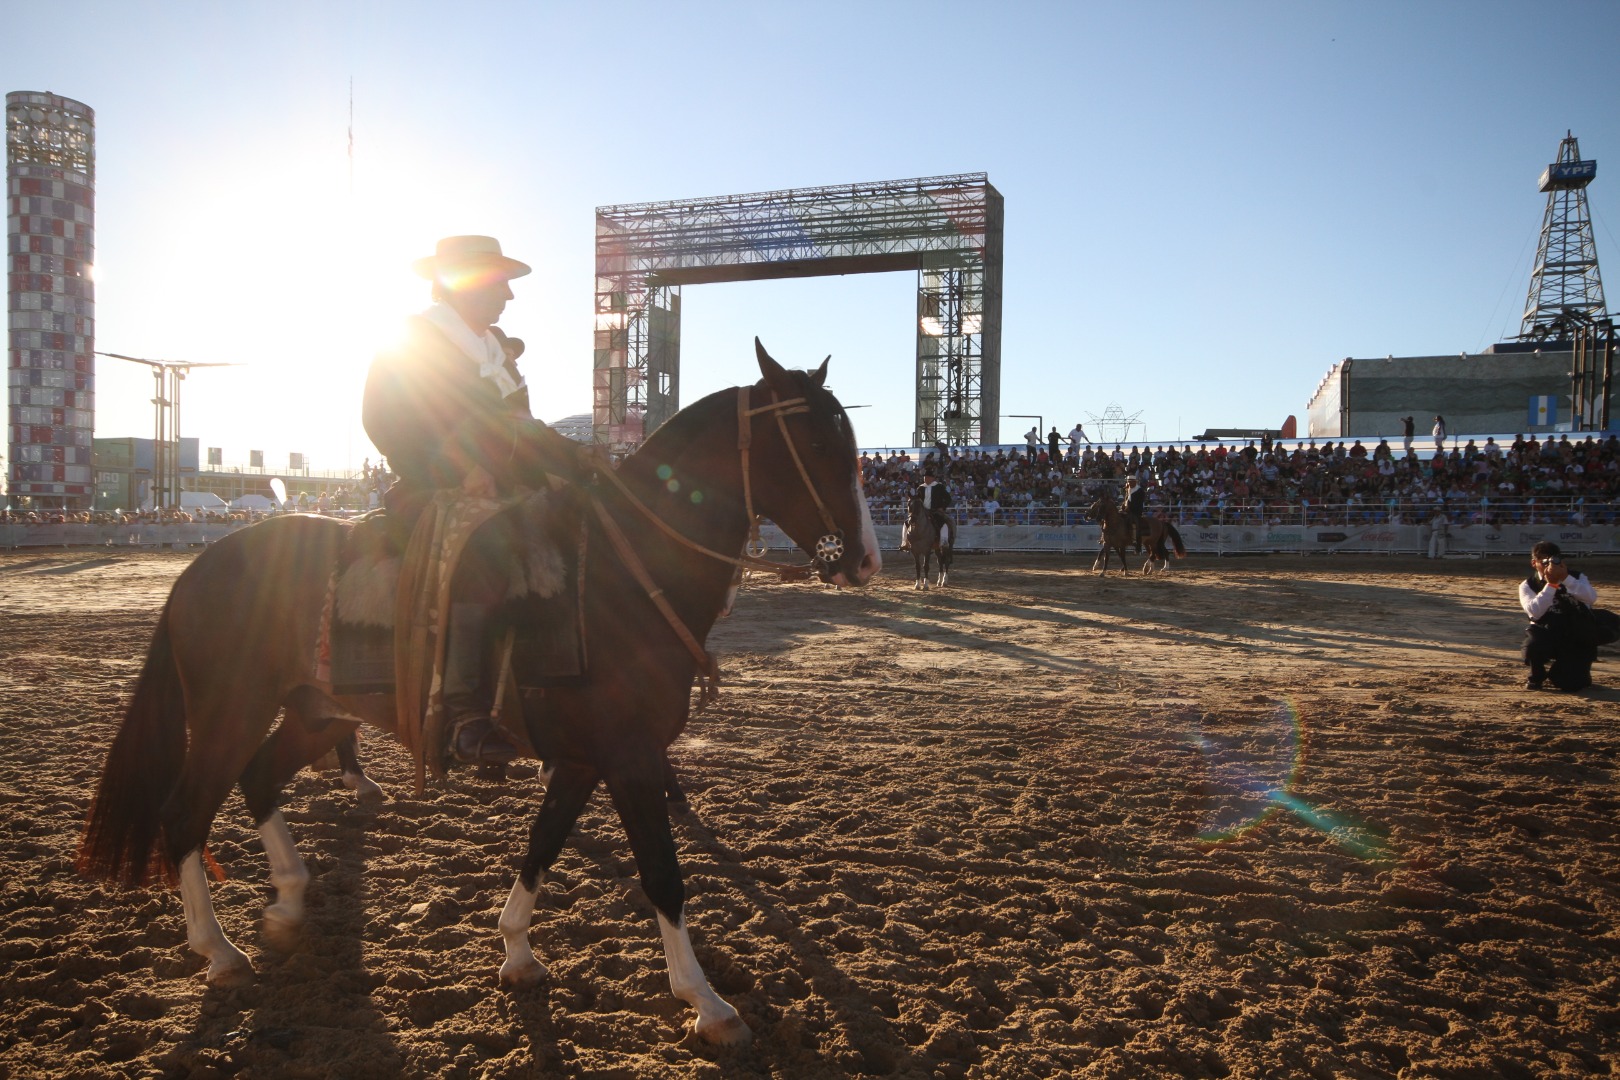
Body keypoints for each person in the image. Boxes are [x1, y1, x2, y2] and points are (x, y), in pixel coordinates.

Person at [364, 235, 592, 766]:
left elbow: (525, 431)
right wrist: (460, 470)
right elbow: (385, 419)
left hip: (503, 487)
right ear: (463, 283)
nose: (509, 296)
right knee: (487, 547)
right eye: (500, 283)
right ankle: (463, 710)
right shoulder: (412, 341)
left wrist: (578, 460)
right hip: (433, 487)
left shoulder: (495, 352)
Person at [1519, 541, 1599, 691]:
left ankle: (1577, 671)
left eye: (1553, 561)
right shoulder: (1528, 585)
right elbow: (1534, 612)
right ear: (1534, 563)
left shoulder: (1576, 577)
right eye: (1544, 562)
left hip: (1575, 633)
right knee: (1532, 647)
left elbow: (1590, 598)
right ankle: (1536, 675)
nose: (1549, 566)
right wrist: (1551, 585)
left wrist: (1566, 579)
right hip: (1546, 632)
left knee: (1569, 684)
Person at [903, 466, 953, 550]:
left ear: (932, 478)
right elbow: (918, 500)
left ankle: (944, 541)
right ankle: (905, 542)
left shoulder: (939, 487)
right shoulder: (921, 488)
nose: (925, 479)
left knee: (943, 522)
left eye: (927, 477)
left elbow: (948, 499)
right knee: (907, 522)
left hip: (935, 510)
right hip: (923, 511)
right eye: (924, 477)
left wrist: (942, 507)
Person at [1123, 477, 1148, 552]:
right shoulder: (1128, 489)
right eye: (1128, 482)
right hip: (1128, 510)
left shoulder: (1140, 491)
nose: (1128, 483)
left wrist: (1129, 508)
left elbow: (1139, 503)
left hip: (1136, 511)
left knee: (1136, 523)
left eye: (1130, 482)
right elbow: (1126, 500)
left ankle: (1137, 543)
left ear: (1134, 482)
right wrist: (1124, 506)